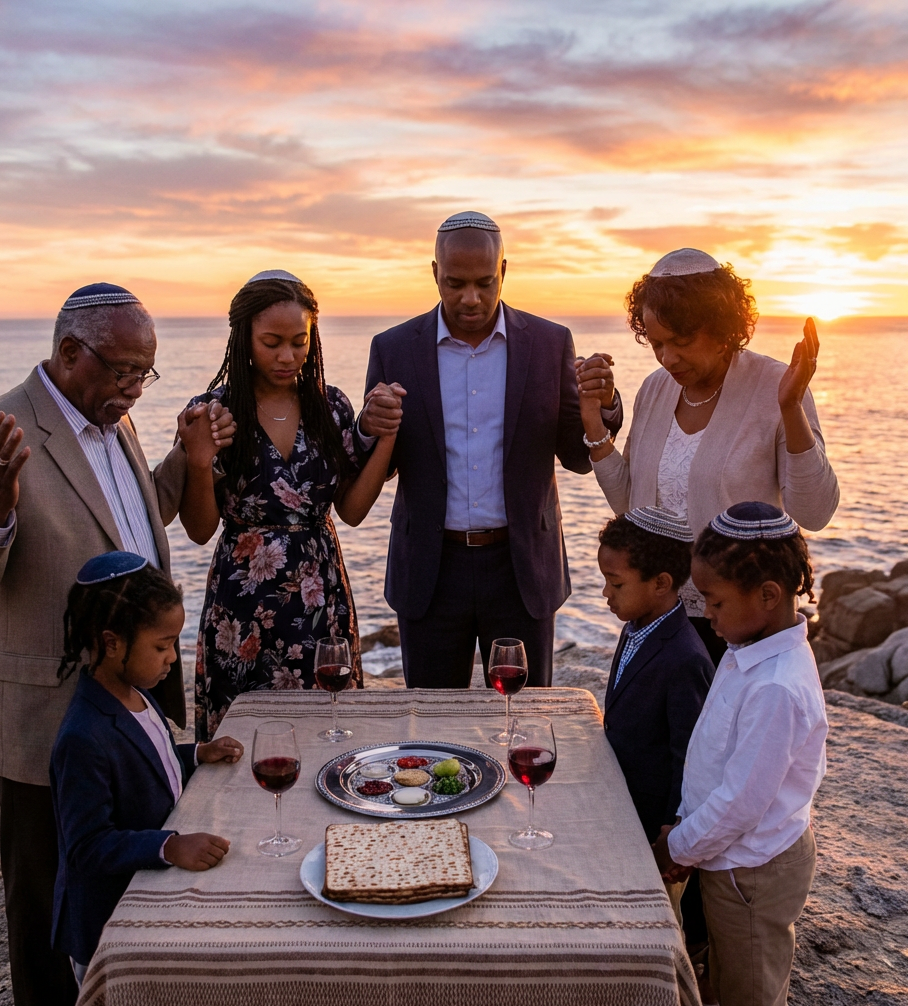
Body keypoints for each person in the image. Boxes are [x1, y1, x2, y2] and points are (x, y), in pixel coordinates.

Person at [0, 283, 222, 1006]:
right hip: (46, 721)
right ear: (68, 353)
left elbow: (129, 523)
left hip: (133, 702)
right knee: (45, 910)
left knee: (123, 889)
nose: (132, 387)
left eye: (143, 373)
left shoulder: (114, 424)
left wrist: (186, 459)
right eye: (122, 369)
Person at [357, 211, 623, 688]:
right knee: (431, 726)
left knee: (523, 724)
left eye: (484, 282)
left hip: (521, 569)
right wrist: (367, 426)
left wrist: (602, 404)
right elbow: (382, 460)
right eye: (455, 283)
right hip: (430, 572)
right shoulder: (393, 347)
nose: (471, 299)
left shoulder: (549, 343)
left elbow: (577, 457)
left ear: (503, 271)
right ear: (434, 273)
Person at [580, 248, 839, 665]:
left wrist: (791, 408)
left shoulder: (777, 386)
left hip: (744, 625)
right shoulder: (656, 389)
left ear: (723, 328)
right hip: (662, 618)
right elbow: (634, 508)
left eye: (681, 342)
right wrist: (594, 423)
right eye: (657, 343)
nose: (668, 359)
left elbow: (814, 512)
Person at [178, 270, 399, 741]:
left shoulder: (331, 407)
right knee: (241, 736)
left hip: (321, 594)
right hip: (241, 603)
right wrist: (198, 462)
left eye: (300, 342)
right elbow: (199, 530)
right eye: (272, 342)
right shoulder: (213, 411)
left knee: (326, 729)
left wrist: (387, 439)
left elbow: (354, 512)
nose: (287, 356)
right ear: (243, 339)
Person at [653, 502, 827, 1006]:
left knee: (753, 998)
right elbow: (717, 756)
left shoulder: (777, 687)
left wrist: (677, 846)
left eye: (714, 600)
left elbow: (741, 802)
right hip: (728, 859)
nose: (707, 613)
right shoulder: (750, 644)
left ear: (768, 596)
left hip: (753, 872)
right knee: (728, 976)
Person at [50, 552, 243, 984]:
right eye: (161, 646)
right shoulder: (82, 736)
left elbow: (146, 761)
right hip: (110, 930)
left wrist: (194, 755)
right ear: (112, 642)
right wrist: (169, 846)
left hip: (148, 899)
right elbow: (87, 846)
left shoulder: (135, 692)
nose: (172, 657)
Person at [597, 507, 713, 921]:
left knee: (659, 919)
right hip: (623, 809)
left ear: (661, 583)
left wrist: (672, 829)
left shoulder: (685, 658)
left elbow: (690, 756)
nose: (606, 594)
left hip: (651, 829)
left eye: (615, 583)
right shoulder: (637, 625)